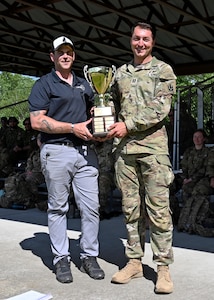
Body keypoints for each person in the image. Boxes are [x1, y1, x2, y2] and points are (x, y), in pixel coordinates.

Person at [28, 36, 105, 284]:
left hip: (85, 152)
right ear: (52, 57)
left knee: (91, 207)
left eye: (69, 52)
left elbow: (97, 109)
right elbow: (37, 121)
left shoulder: (86, 84)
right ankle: (61, 258)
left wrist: (101, 116)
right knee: (58, 207)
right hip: (57, 151)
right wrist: (73, 128)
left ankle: (89, 256)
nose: (65, 56)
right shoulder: (44, 84)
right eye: (60, 52)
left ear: (74, 56)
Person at [107, 21, 176, 294]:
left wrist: (128, 125)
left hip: (153, 150)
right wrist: (101, 115)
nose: (140, 43)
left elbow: (161, 108)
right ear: (130, 40)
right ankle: (134, 261)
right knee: (130, 210)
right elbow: (111, 101)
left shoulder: (163, 70)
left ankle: (163, 268)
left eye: (145, 39)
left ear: (153, 42)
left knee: (159, 211)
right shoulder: (120, 73)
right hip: (124, 151)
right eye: (136, 38)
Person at [177, 129, 211, 233]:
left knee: (197, 191)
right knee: (185, 189)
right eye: (194, 137)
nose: (196, 139)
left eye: (199, 137)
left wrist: (191, 179)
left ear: (204, 139)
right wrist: (185, 178)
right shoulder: (189, 152)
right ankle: (184, 218)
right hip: (188, 179)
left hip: (201, 179)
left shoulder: (208, 152)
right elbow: (184, 167)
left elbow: (205, 169)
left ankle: (193, 220)